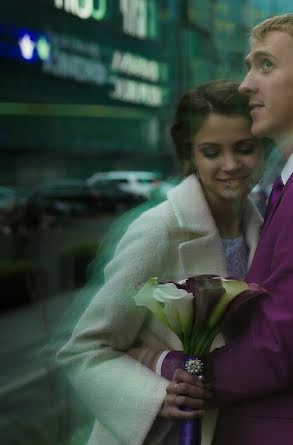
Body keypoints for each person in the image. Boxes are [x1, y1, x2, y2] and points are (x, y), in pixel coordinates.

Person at [158, 12, 293, 444]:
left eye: (265, 65)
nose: (246, 85)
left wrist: (177, 368)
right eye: (248, 67)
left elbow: (278, 348)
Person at [56, 79, 267, 445]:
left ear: (262, 148)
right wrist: (156, 395)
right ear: (190, 156)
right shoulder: (159, 229)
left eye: (244, 148)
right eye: (212, 152)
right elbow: (84, 348)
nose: (231, 164)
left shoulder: (264, 228)